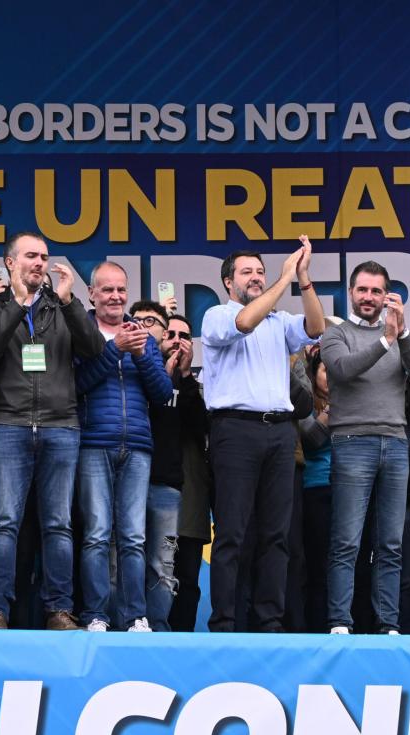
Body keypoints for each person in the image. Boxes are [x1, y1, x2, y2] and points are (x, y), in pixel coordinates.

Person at [0, 232, 104, 630]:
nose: (39, 263)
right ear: (10, 263)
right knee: (3, 522)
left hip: (60, 425)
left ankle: (59, 610)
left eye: (44, 257)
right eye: (31, 256)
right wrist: (16, 302)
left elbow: (94, 348)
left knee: (58, 524)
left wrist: (68, 300)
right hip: (7, 423)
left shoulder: (62, 307)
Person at [201, 236, 327, 633]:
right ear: (228, 282)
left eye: (260, 271)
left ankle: (269, 620)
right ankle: (224, 621)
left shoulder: (279, 322)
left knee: (277, 535)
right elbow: (244, 322)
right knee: (233, 534)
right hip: (235, 431)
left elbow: (316, 326)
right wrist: (282, 279)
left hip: (279, 433)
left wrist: (302, 280)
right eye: (247, 272)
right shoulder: (217, 315)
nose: (256, 277)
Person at [319, 261, 410, 635]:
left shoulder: (398, 335)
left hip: (396, 445)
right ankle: (339, 621)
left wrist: (403, 332)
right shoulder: (336, 334)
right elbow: (344, 370)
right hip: (352, 442)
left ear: (387, 296)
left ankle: (388, 624)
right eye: (362, 290)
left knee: (391, 544)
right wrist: (385, 339)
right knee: (346, 541)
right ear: (350, 293)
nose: (369, 297)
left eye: (376, 291)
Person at [75, 267, 173, 633]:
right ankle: (96, 615)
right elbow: (75, 384)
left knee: (133, 536)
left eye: (121, 289)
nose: (115, 296)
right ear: (92, 293)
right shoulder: (82, 332)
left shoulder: (142, 336)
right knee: (97, 533)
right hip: (93, 443)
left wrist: (142, 353)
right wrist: (114, 351)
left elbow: (163, 393)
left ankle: (135, 616)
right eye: (108, 290)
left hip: (137, 445)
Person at [130, 305, 207, 632]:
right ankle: (129, 624)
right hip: (130, 479)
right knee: (126, 559)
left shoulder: (191, 383)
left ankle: (166, 634)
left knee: (169, 569)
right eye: (170, 333)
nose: (176, 341)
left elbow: (201, 426)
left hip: (173, 486)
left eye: (184, 336)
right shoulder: (135, 372)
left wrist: (185, 377)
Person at [299, 350, 333, 632]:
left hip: (353, 490)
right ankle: (318, 628)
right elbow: (308, 441)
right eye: (326, 370)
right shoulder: (307, 402)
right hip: (317, 488)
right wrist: (330, 413)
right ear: (314, 374)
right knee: (318, 565)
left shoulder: (361, 400)